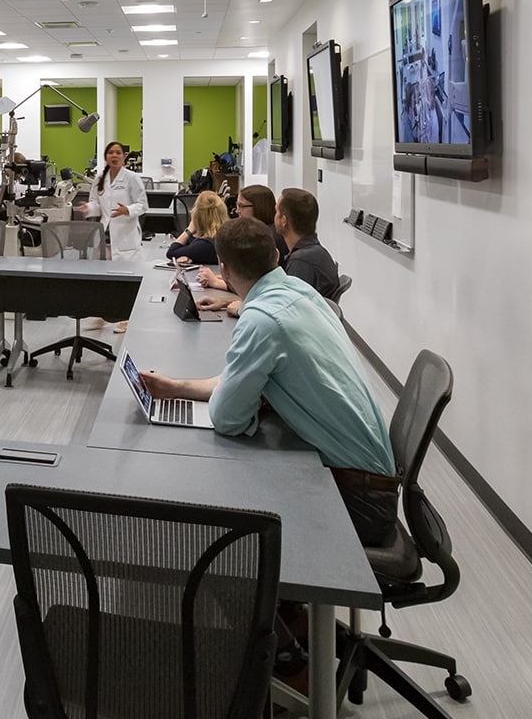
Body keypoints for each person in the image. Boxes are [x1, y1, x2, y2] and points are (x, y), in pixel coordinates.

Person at [139, 216, 397, 544]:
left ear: (224, 270)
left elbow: (228, 419)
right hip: (370, 478)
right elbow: (240, 380)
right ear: (275, 255)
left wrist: (228, 399)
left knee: (215, 497)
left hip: (356, 499)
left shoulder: (262, 321)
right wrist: (180, 387)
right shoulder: (299, 291)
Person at [81, 141, 148, 332]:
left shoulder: (132, 178)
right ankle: (100, 315)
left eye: (118, 152)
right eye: (111, 152)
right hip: (105, 235)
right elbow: (96, 203)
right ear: (106, 157)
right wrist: (89, 208)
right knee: (102, 278)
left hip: (126, 236)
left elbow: (143, 205)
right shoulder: (100, 178)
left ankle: (126, 318)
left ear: (123, 157)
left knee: (125, 280)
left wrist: (127, 209)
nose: (114, 155)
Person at [197, 185, 291, 297]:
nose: (237, 211)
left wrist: (215, 282)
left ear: (259, 207)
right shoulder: (263, 233)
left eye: (242, 206)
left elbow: (254, 285)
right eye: (237, 205)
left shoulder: (266, 238)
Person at [166, 191, 227, 267]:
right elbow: (191, 245)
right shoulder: (221, 237)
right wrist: (190, 255)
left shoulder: (204, 245)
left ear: (198, 215)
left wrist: (189, 230)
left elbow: (171, 252)